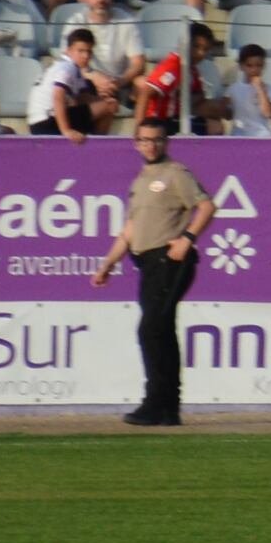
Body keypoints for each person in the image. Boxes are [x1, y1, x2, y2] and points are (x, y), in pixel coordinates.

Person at [89, 120, 213, 428]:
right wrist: (108, 263)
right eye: (145, 140)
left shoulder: (175, 174)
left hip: (168, 259)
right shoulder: (141, 180)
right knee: (160, 331)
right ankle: (168, 407)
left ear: (166, 142)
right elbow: (131, 229)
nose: (150, 145)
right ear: (136, 143)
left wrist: (188, 238)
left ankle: (156, 401)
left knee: (151, 329)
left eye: (156, 140)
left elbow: (207, 206)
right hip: (147, 262)